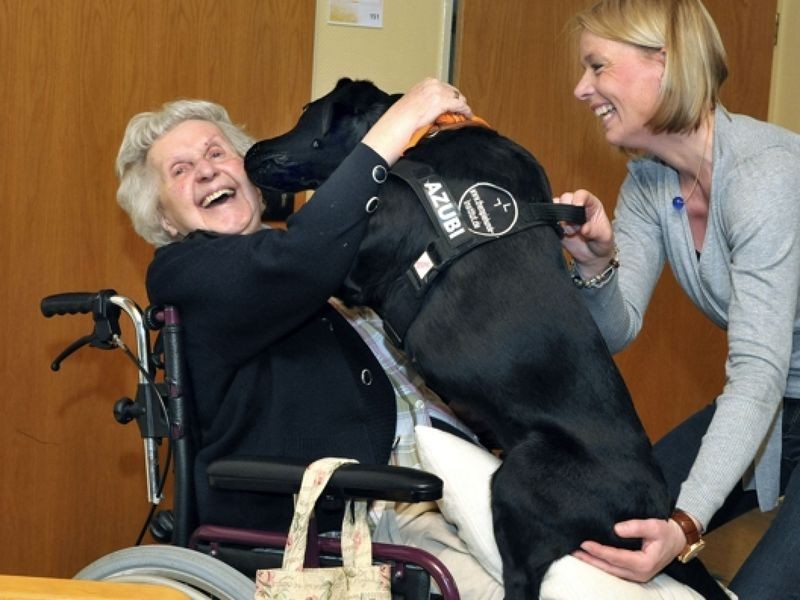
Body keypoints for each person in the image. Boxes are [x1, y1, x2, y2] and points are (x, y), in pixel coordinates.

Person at [114, 78, 472, 533]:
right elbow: (298, 262)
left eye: (217, 153)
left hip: (453, 472)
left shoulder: (328, 251)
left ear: (253, 176)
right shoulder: (183, 273)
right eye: (180, 170)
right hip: (365, 515)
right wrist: (394, 127)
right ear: (164, 217)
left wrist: (593, 268)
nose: (206, 171)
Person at [554, 1, 800, 598]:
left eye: (597, 66)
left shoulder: (767, 176)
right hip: (787, 400)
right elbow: (617, 330)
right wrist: (595, 265)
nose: (582, 89)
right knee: (617, 521)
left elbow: (757, 372)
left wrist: (685, 524)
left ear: (663, 63)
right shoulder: (650, 183)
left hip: (770, 388)